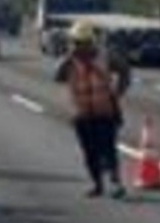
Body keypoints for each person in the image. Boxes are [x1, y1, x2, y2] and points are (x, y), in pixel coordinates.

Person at [55, 20, 132, 199]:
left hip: (105, 112)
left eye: (82, 43)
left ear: (90, 42)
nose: (78, 47)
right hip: (82, 115)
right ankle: (97, 184)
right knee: (90, 152)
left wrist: (119, 92)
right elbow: (57, 76)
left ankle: (115, 183)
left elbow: (124, 70)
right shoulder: (70, 61)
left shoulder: (105, 57)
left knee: (108, 149)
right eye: (75, 42)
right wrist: (68, 58)